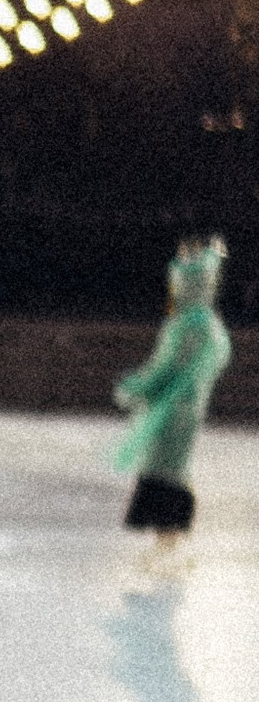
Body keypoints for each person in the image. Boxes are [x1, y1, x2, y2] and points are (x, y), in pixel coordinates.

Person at [113, 234, 232, 570]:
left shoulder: (189, 323)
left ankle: (169, 547)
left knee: (166, 476)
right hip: (185, 408)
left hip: (172, 410)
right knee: (173, 473)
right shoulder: (206, 322)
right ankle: (170, 545)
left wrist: (138, 388)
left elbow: (167, 367)